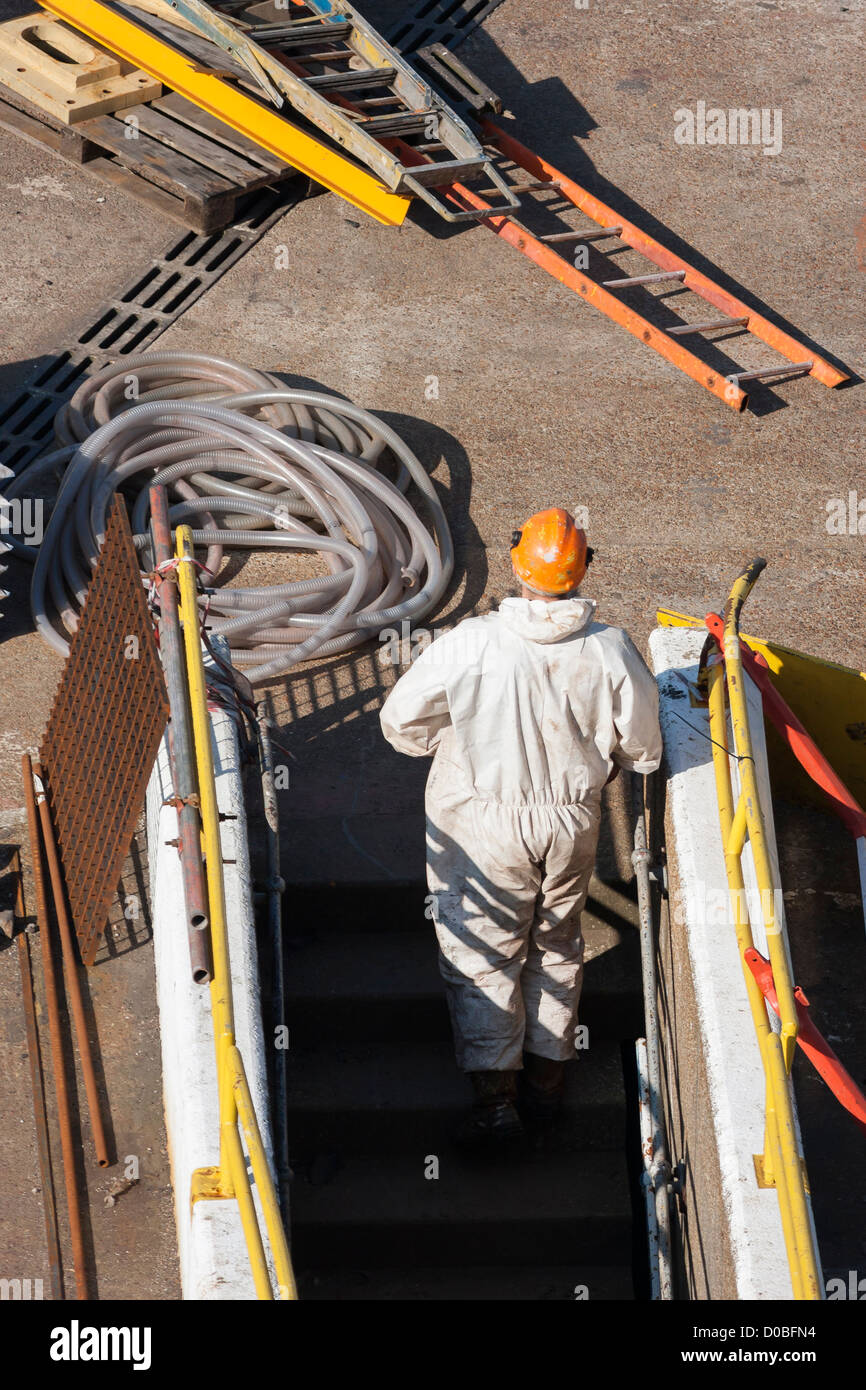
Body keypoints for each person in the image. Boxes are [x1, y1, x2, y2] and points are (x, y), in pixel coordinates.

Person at [379, 508, 662, 1147]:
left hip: (484, 823)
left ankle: (494, 1102)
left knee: (483, 953)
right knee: (557, 943)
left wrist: (456, 739)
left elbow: (401, 724)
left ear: (515, 564)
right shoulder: (610, 649)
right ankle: (548, 1085)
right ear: (583, 570)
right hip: (571, 823)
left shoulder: (470, 642)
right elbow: (643, 749)